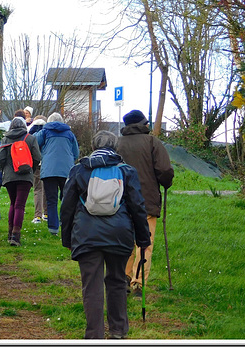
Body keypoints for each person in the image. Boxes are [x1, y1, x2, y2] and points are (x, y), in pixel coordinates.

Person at [60, 130, 151, 340]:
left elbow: (67, 207)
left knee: (91, 285)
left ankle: (94, 336)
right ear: (115, 147)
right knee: (117, 281)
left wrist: (68, 238)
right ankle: (118, 331)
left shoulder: (79, 170)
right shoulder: (127, 171)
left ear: (93, 146)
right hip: (119, 235)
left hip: (86, 234)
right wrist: (143, 239)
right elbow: (138, 207)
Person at [117, 109, 174, 297]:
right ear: (143, 124)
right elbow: (165, 170)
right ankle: (138, 284)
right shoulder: (153, 143)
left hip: (120, 202)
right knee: (144, 244)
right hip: (146, 201)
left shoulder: (117, 143)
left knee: (125, 241)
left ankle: (123, 278)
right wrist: (166, 182)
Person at [0, 117, 41, 246]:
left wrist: (4, 169)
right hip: (25, 177)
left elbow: (0, 158)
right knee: (20, 205)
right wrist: (30, 168)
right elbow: (37, 157)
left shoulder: (5, 139)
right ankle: (16, 235)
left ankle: (10, 233)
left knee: (13, 203)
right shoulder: (30, 138)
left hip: (10, 177)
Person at [35, 113, 80, 235]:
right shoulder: (69, 134)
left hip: (49, 170)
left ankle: (53, 228)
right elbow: (76, 152)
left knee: (51, 200)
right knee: (67, 199)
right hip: (66, 171)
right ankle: (66, 225)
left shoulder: (45, 132)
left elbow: (34, 142)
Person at [28, 115, 48, 224]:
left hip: (36, 163)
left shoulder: (31, 132)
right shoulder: (49, 132)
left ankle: (37, 216)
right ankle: (46, 214)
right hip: (47, 163)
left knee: (37, 189)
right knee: (47, 189)